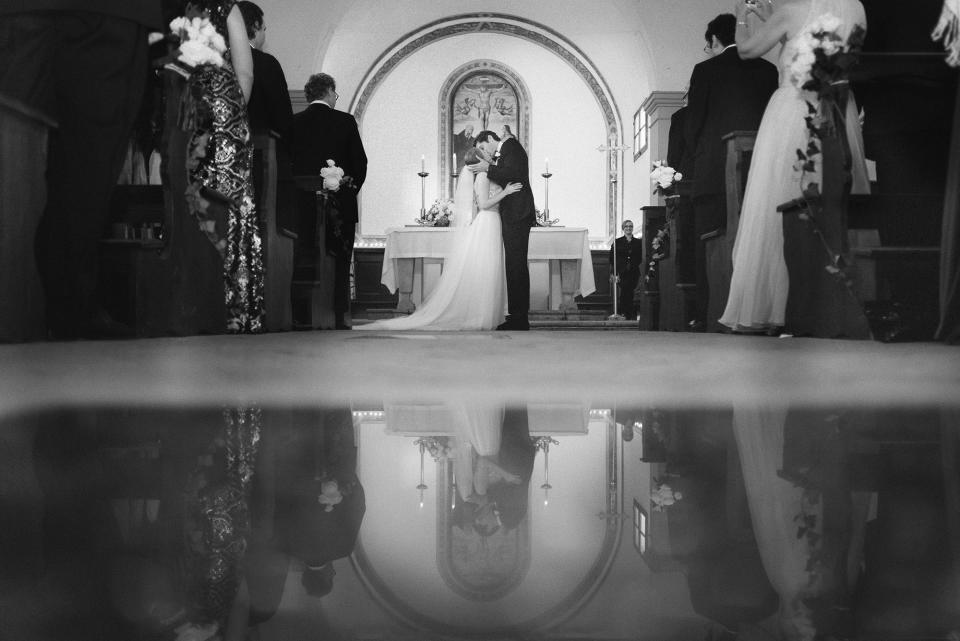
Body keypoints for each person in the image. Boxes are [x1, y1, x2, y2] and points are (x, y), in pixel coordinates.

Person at [0, 2, 163, 339]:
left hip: (21, 12)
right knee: (89, 164)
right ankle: (70, 307)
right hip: (110, 13)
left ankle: (55, 306)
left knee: (17, 148)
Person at [719, 0, 869, 332]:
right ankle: (831, 304)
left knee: (783, 204)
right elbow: (809, 38)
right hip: (839, 107)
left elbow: (747, 50)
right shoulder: (856, 7)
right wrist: (772, 18)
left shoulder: (793, 9)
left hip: (795, 110)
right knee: (826, 205)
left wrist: (743, 18)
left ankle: (782, 308)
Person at [684, 13, 779, 332]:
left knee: (707, 241)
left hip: (712, 170)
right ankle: (760, 310)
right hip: (759, 169)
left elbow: (693, 123)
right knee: (759, 238)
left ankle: (707, 315)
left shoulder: (705, 70)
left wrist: (697, 157)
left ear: (714, 40)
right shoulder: (768, 69)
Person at [356, 148, 518, 331]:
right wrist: (506, 192)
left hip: (493, 223)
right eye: (484, 152)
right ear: (479, 158)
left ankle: (490, 314)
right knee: (487, 269)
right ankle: (482, 316)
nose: (488, 153)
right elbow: (483, 204)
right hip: (488, 222)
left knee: (491, 269)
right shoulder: (481, 177)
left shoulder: (488, 174)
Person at [183, 0, 265, 334]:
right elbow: (244, 72)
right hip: (223, 110)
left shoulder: (175, 7)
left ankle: (189, 295)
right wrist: (231, 114)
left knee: (189, 196)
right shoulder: (225, 7)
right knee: (232, 205)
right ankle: (236, 304)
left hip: (183, 107)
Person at [290, 72, 368, 329]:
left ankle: (301, 314)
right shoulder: (345, 121)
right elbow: (360, 163)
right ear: (327, 92)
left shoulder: (294, 122)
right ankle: (339, 315)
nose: (336, 98)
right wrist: (347, 190)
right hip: (340, 206)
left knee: (302, 256)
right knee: (341, 260)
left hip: (301, 205)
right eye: (335, 94)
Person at [472, 130, 537, 330]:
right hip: (513, 215)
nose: (484, 152)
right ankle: (516, 315)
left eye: (483, 147)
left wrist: (488, 168)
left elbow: (511, 175)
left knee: (516, 266)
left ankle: (519, 318)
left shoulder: (511, 146)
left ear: (490, 139)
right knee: (513, 266)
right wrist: (490, 167)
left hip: (517, 214)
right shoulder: (506, 151)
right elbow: (507, 177)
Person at [237, 1, 293, 141]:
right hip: (261, 152)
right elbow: (282, 117)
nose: (264, 35)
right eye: (264, 29)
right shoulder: (267, 63)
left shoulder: (218, 62)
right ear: (255, 26)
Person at [610, 219, 642, 320]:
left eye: (630, 226)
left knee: (630, 291)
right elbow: (612, 258)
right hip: (621, 271)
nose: (628, 228)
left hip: (633, 271)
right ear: (623, 228)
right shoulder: (618, 242)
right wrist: (613, 272)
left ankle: (627, 312)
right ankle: (626, 312)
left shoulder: (638, 242)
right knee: (625, 291)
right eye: (626, 226)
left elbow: (640, 256)